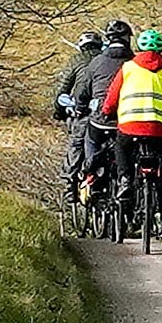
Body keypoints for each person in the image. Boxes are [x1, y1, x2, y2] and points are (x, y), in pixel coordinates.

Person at [99, 28, 162, 240]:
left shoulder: (128, 68)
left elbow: (112, 96)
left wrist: (107, 111)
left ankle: (126, 179)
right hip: (158, 130)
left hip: (129, 126)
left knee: (121, 148)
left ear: (138, 48)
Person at [77, 19, 133, 189]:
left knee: (91, 139)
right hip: (127, 120)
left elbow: (83, 90)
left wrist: (80, 107)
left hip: (101, 120)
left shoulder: (96, 62)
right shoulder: (134, 63)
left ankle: (92, 174)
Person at [54, 30, 105, 204]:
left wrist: (58, 112)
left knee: (76, 144)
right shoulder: (105, 60)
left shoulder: (76, 61)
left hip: (83, 113)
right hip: (107, 113)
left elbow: (63, 89)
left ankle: (70, 185)